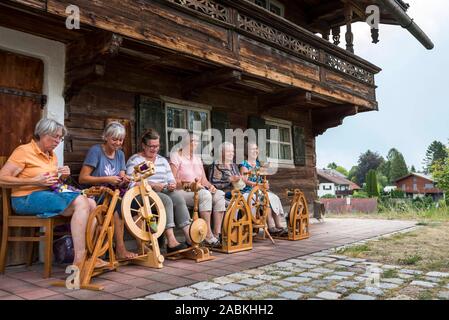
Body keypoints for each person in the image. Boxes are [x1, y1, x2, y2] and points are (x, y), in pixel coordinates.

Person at [0, 118, 98, 267]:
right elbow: (2, 179)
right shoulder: (24, 151)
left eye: (60, 137)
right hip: (24, 199)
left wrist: (62, 177)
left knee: (91, 203)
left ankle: (91, 255)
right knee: (80, 201)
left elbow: (50, 183)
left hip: (46, 196)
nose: (58, 141)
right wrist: (34, 181)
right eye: (56, 136)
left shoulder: (52, 155)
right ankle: (79, 260)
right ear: (43, 133)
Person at [126, 129, 191, 253]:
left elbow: (171, 179)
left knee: (177, 197)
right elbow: (131, 183)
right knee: (166, 200)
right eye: (151, 146)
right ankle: (170, 241)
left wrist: (172, 185)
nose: (155, 149)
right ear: (144, 146)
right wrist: (151, 185)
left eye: (157, 146)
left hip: (162, 191)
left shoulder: (162, 160)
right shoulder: (135, 160)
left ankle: (189, 237)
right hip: (141, 195)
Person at [79, 122, 137, 260]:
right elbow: (83, 178)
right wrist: (107, 179)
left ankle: (142, 245)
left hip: (113, 193)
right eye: (114, 139)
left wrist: (124, 180)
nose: (118, 143)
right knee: (117, 205)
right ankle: (121, 250)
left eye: (120, 140)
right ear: (105, 137)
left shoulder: (120, 155)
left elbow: (121, 176)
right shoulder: (96, 151)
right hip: (96, 194)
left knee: (133, 205)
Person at [170, 131, 225, 247]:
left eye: (197, 141)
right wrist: (189, 185)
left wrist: (211, 186)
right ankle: (208, 235)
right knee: (205, 195)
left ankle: (216, 234)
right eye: (192, 141)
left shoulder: (197, 158)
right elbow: (173, 180)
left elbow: (203, 180)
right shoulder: (176, 156)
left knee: (219, 194)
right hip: (183, 191)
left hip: (199, 190)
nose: (195, 144)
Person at [239, 142, 287, 235]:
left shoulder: (258, 164)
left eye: (256, 148)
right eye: (252, 149)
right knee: (265, 198)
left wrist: (265, 184)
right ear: (247, 151)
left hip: (259, 191)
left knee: (274, 197)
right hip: (248, 191)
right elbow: (244, 180)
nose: (255, 151)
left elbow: (261, 178)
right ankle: (271, 226)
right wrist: (258, 185)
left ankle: (279, 225)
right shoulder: (244, 164)